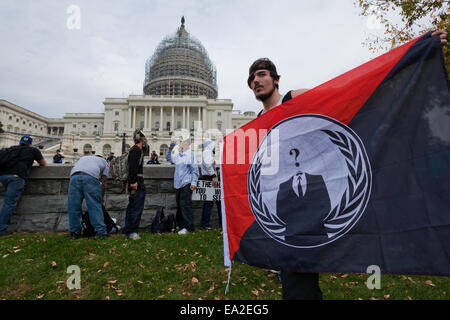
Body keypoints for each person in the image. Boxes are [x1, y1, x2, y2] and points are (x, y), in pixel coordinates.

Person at [246, 28, 448, 300]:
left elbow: (346, 91)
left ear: (275, 79)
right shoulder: (258, 120)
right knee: (295, 272)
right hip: (285, 203)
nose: (256, 81)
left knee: (298, 277)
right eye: (252, 78)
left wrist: (412, 54)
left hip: (312, 199)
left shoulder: (294, 99)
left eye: (261, 74)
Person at [0, 136, 46, 235]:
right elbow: (43, 163)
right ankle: (2, 229)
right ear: (30, 144)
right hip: (16, 178)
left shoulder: (11, 149)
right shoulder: (33, 150)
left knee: (6, 202)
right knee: (8, 204)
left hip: (3, 176)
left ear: (20, 142)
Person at [68, 150, 109, 240]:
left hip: (74, 177)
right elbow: (104, 181)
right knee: (94, 205)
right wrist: (101, 197)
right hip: (90, 177)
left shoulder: (84, 158)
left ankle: (74, 233)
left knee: (73, 206)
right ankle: (100, 231)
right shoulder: (105, 162)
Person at [166, 139, 199, 235]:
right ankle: (181, 225)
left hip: (186, 183)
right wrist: (170, 149)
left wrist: (193, 183)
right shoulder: (178, 154)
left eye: (181, 142)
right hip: (178, 184)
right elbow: (169, 158)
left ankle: (188, 226)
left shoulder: (191, 155)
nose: (179, 144)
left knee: (185, 205)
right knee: (180, 205)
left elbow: (195, 170)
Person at [122, 129, 148, 240]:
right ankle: (132, 231)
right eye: (145, 139)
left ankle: (127, 230)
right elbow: (133, 167)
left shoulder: (134, 150)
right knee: (136, 207)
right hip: (137, 183)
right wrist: (133, 182)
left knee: (132, 206)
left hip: (135, 181)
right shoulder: (136, 150)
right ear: (142, 139)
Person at [200, 139, 220, 230]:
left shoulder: (209, 152)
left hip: (210, 177)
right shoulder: (207, 152)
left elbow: (212, 164)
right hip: (209, 178)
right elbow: (208, 165)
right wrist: (214, 175)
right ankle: (205, 224)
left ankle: (208, 223)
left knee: (215, 202)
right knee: (209, 203)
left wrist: (217, 169)